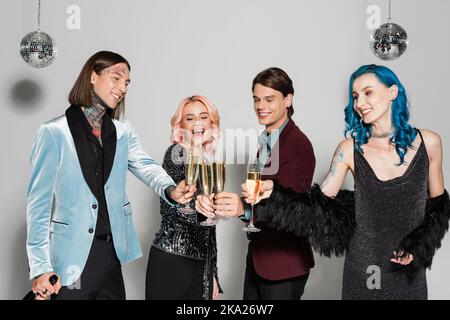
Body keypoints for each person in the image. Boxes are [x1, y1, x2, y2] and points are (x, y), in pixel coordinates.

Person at [249, 64, 449, 299]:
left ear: (392, 92)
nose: (359, 103)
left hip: (408, 272)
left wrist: (420, 247)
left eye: (368, 92)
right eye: (355, 96)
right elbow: (315, 207)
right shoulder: (349, 150)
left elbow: (438, 206)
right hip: (362, 267)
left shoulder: (430, 143)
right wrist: (274, 195)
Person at [26, 51, 194, 300]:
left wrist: (170, 189)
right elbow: (37, 205)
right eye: (116, 78)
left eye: (126, 83)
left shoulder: (122, 131)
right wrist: (40, 267)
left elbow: (146, 166)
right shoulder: (54, 132)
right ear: (93, 77)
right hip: (74, 255)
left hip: (113, 252)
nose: (122, 87)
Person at [196, 67, 316, 300]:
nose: (261, 106)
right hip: (260, 258)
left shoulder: (297, 145)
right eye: (256, 99)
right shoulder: (268, 141)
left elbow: (287, 205)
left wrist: (243, 208)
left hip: (283, 265)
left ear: (288, 99)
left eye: (269, 99)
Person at [146, 95, 223, 300]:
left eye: (203, 117)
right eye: (190, 118)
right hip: (171, 259)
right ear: (180, 126)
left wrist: (211, 272)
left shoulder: (209, 162)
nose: (197, 123)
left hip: (200, 263)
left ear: (211, 123)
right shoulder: (176, 153)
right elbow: (176, 208)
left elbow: (209, 229)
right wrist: (202, 210)